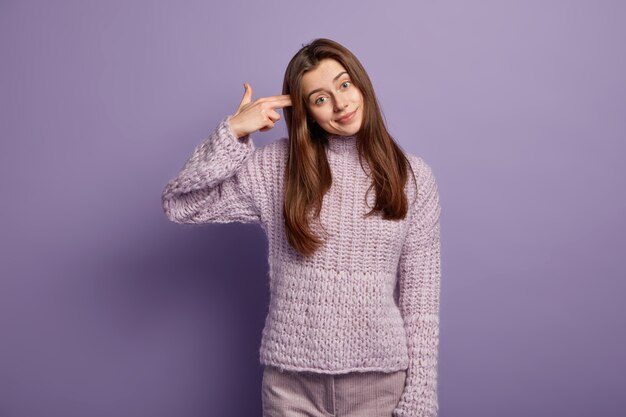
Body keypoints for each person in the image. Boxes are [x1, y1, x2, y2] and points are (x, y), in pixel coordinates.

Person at [161, 38, 442, 417]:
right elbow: (182, 204)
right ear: (306, 111)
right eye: (320, 98)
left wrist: (420, 400)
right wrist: (233, 133)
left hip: (379, 387)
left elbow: (421, 300)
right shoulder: (277, 167)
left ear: (361, 85)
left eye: (344, 85)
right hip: (290, 390)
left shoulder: (413, 177)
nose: (341, 104)